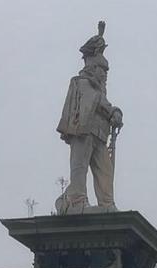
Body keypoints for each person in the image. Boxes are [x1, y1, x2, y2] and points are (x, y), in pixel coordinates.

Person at [57, 21, 123, 214]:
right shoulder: (83, 83)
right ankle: (75, 201)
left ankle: (106, 202)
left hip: (99, 134)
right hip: (82, 130)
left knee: (105, 169)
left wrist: (112, 113)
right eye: (102, 70)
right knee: (80, 166)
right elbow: (96, 100)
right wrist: (112, 111)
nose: (105, 74)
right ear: (93, 68)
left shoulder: (100, 90)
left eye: (106, 71)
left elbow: (102, 100)